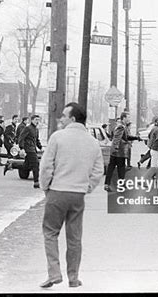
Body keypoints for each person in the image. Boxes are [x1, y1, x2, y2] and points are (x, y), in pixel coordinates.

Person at [39, 102, 103, 289]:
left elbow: (46, 166)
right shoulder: (92, 142)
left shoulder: (57, 137)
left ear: (73, 119)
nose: (61, 119)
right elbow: (98, 170)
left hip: (57, 191)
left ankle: (54, 273)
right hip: (78, 195)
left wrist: (46, 186)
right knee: (74, 237)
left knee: (50, 232)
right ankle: (73, 277)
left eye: (64, 116)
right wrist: (87, 187)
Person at [104, 112, 141, 192]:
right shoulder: (121, 127)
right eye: (128, 117)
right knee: (120, 168)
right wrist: (116, 149)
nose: (129, 119)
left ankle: (109, 184)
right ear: (123, 118)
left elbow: (126, 137)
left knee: (113, 168)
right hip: (118, 152)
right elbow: (116, 138)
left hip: (116, 151)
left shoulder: (121, 126)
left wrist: (136, 138)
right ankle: (119, 184)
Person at [18, 114, 43, 188]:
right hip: (29, 149)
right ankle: (36, 182)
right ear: (32, 120)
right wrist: (22, 148)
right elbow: (21, 138)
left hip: (33, 149)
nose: (37, 122)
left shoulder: (36, 129)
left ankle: (10, 165)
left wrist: (40, 147)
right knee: (36, 164)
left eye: (38, 120)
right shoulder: (27, 128)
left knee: (27, 165)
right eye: (36, 120)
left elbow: (36, 140)